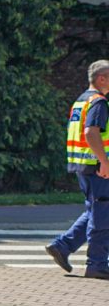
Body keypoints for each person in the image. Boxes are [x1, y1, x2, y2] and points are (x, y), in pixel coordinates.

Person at [46, 60, 109, 279]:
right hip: (96, 167)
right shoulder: (99, 102)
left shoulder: (81, 101)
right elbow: (91, 133)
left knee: (95, 210)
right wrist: (104, 162)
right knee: (103, 215)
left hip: (83, 165)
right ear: (102, 78)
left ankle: (62, 246)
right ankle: (97, 264)